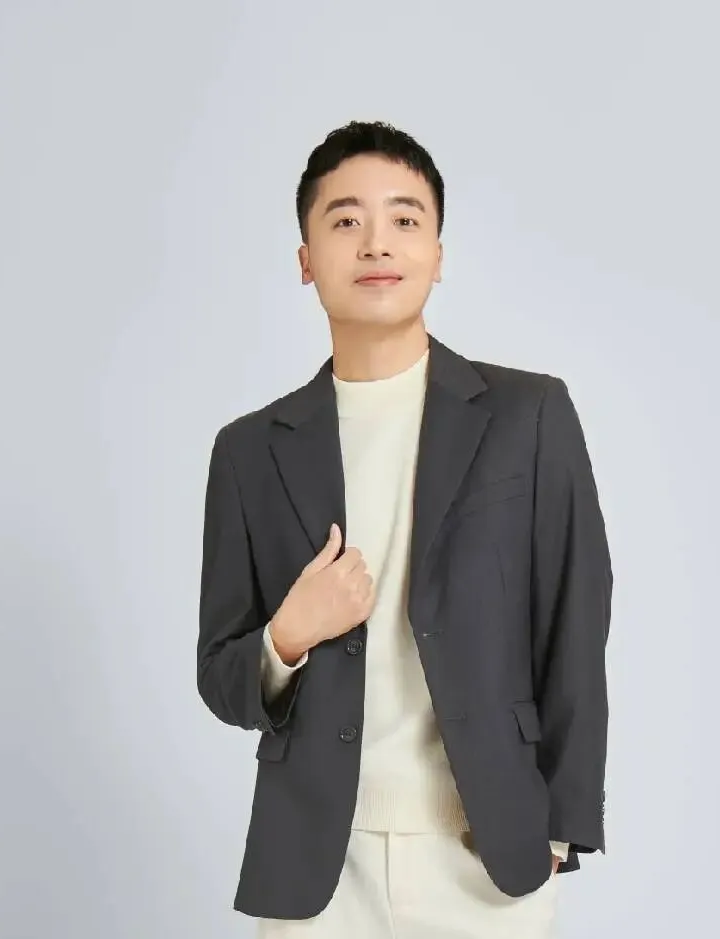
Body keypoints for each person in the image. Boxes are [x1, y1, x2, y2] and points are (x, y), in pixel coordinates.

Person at [197, 120, 613, 938]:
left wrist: (561, 824)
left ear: (438, 253)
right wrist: (287, 634)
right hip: (319, 867)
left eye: (404, 218)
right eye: (346, 220)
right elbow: (220, 676)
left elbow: (575, 617)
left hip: (486, 858)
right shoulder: (249, 451)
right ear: (306, 259)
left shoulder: (528, 415)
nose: (376, 242)